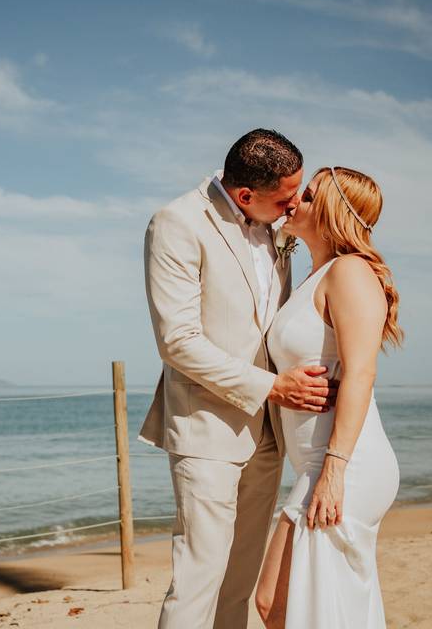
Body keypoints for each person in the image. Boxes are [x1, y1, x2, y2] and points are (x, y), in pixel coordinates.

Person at [139, 129, 336, 628]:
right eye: (287, 197)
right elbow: (178, 342)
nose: (296, 206)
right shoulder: (177, 224)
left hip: (269, 433)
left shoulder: (279, 228)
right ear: (246, 195)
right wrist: (273, 386)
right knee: (197, 581)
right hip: (207, 429)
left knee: (239, 583)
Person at [255, 166, 403, 628]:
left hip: (344, 464)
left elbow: (362, 371)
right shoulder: (311, 278)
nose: (294, 200)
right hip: (318, 464)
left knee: (296, 608)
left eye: (310, 194)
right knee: (285, 607)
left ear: (333, 211)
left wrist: (334, 471)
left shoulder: (351, 273)